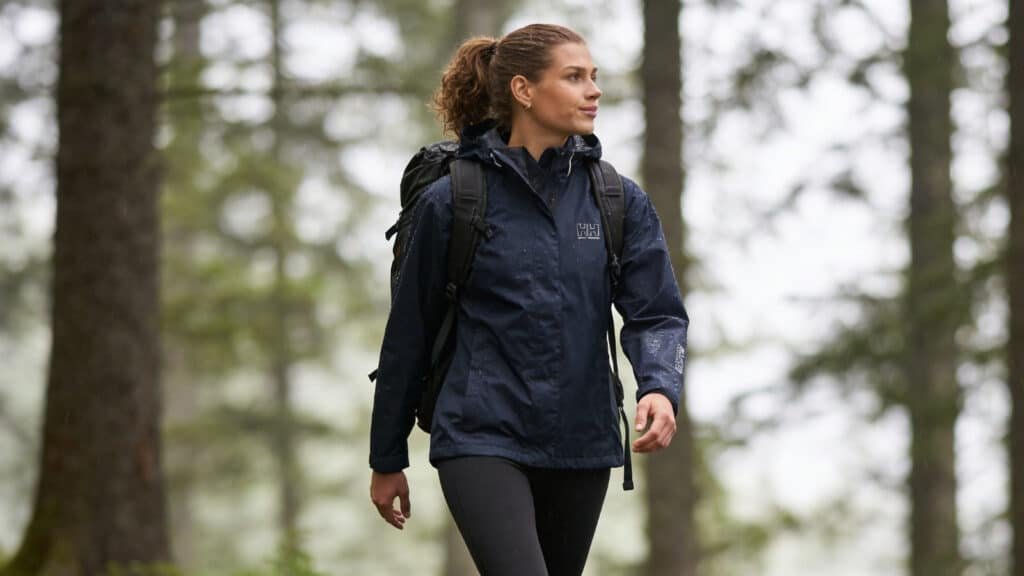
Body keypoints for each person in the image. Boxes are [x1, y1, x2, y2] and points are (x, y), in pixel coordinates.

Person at [368, 22, 689, 576]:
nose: (594, 90)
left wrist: (660, 385)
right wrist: (387, 456)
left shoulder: (616, 199)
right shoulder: (455, 199)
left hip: (583, 441)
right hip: (480, 435)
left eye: (594, 76)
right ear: (523, 90)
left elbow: (656, 312)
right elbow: (409, 333)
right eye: (574, 77)